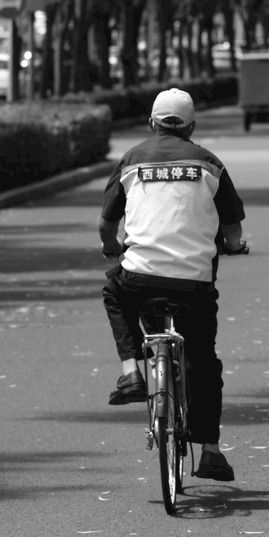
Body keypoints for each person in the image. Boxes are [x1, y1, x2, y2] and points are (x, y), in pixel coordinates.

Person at [99, 88, 248, 482]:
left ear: (151, 123)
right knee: (204, 359)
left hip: (138, 278)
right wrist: (233, 245)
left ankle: (132, 371)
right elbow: (232, 224)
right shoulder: (209, 163)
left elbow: (107, 222)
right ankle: (211, 451)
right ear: (191, 127)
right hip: (195, 286)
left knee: (113, 291)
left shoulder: (132, 160)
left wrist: (110, 247)